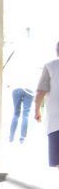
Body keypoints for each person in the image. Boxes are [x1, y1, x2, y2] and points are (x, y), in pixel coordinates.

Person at [34, 41, 59, 177]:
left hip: (56, 119)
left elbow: (41, 91)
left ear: (57, 51)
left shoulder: (50, 67)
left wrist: (37, 110)